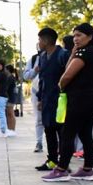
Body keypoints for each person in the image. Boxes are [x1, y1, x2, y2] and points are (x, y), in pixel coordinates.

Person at [42, 23, 93, 182]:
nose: (76, 39)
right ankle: (87, 169)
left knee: (68, 133)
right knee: (85, 133)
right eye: (74, 36)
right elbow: (69, 67)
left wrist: (61, 85)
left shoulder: (85, 52)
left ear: (90, 36)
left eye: (79, 35)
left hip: (80, 99)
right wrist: (73, 53)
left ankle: (61, 169)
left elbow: (66, 75)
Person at [34, 27, 70, 171]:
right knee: (48, 129)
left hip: (61, 100)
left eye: (40, 39)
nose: (39, 42)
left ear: (46, 40)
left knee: (62, 131)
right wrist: (40, 99)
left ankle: (64, 163)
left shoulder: (63, 55)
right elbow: (42, 79)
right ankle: (52, 160)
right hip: (47, 100)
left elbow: (70, 76)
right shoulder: (42, 57)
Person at [23, 46, 43, 152]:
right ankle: (39, 143)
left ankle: (59, 146)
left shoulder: (57, 56)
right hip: (36, 91)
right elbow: (26, 76)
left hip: (52, 92)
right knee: (39, 119)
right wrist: (34, 71)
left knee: (54, 121)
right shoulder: (34, 59)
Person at [0, 60, 15, 137]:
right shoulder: (0, 74)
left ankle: (3, 130)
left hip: (1, 95)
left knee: (1, 113)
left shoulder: (1, 74)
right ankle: (3, 129)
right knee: (0, 112)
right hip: (1, 96)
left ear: (2, 66)